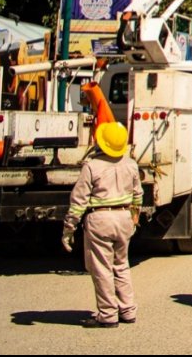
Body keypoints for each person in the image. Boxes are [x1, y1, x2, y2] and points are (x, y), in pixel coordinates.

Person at [61, 122, 141, 328]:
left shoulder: (92, 166)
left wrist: (69, 229)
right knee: (121, 264)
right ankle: (128, 309)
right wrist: (134, 217)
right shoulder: (131, 164)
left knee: (102, 268)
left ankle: (107, 314)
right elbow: (138, 195)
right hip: (124, 217)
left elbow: (79, 201)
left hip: (101, 219)